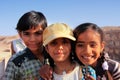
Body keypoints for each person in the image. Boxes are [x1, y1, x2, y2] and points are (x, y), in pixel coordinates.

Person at [4, 10, 47, 80]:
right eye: (27, 34)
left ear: (45, 33)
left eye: (38, 33)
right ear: (20, 34)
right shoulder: (15, 62)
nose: (32, 39)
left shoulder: (55, 55)